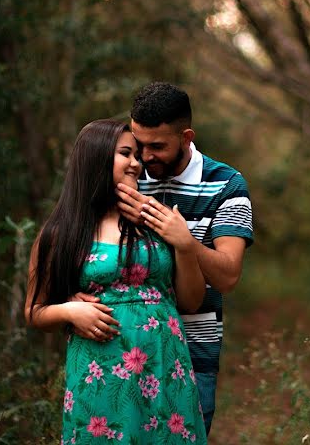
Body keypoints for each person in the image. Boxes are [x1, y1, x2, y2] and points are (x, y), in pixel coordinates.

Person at [25, 119, 208, 444]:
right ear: (96, 157)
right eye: (127, 153)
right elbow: (34, 310)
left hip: (164, 366)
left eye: (138, 155)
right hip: (101, 373)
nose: (137, 163)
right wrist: (69, 312)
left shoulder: (154, 220)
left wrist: (184, 243)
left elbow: (190, 301)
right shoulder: (61, 233)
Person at [117, 82, 254, 435]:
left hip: (195, 352)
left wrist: (186, 243)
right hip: (126, 350)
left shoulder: (226, 184)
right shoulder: (126, 173)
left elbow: (228, 276)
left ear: (187, 136)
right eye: (139, 143)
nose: (145, 156)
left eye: (157, 146)